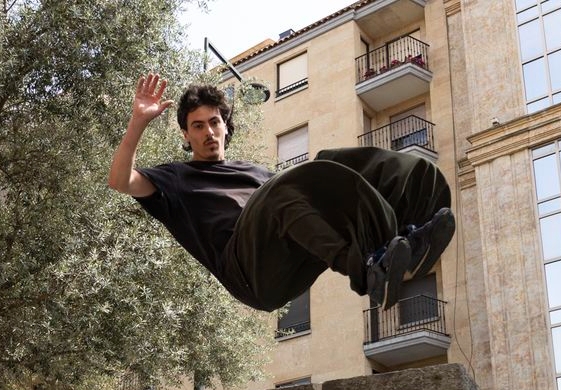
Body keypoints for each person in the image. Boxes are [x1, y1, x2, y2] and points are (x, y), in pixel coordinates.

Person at [107, 72, 453, 313]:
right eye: (197, 127)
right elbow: (121, 181)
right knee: (285, 188)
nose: (208, 133)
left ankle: (413, 232)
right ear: (186, 135)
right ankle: (367, 268)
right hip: (248, 272)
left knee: (332, 165)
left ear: (226, 127)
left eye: (214, 123)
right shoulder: (176, 179)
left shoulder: (257, 174)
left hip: (290, 262)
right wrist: (139, 121)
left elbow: (306, 194)